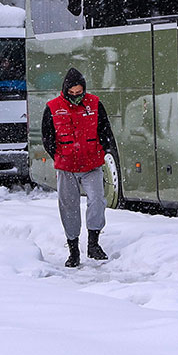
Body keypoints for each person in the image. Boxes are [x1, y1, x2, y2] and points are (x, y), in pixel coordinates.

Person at [41, 67, 115, 268]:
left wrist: (104, 150)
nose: (76, 96)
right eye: (72, 93)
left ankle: (93, 243)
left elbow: (105, 130)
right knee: (69, 206)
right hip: (66, 167)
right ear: (65, 91)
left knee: (97, 201)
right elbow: (47, 138)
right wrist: (60, 155)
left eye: (79, 92)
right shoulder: (53, 108)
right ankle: (73, 250)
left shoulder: (95, 104)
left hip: (92, 164)